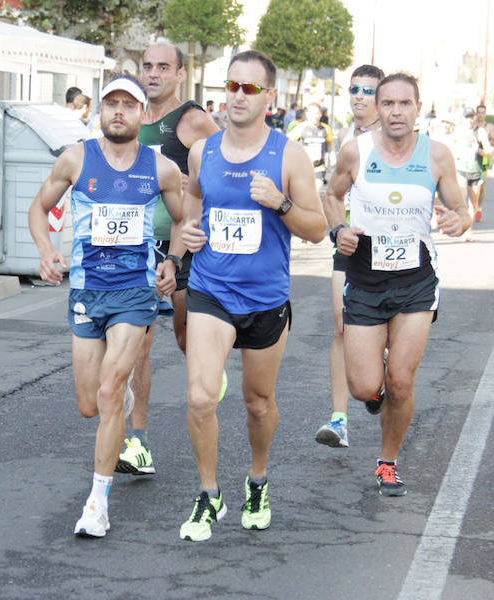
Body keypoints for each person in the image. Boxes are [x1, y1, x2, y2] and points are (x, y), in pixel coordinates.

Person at [178, 50, 327, 541]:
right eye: (231, 87)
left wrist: (279, 202)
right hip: (211, 290)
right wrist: (190, 236)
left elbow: (317, 229)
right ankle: (208, 493)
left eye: (248, 89)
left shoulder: (289, 154)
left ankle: (257, 479)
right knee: (201, 396)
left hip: (265, 298)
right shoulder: (205, 151)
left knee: (258, 402)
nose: (237, 97)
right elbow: (194, 205)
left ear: (270, 96)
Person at [27, 75, 185, 538]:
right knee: (88, 405)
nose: (119, 111)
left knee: (110, 391)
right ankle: (122, 401)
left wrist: (172, 262)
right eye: (111, 104)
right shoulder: (77, 158)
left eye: (129, 105)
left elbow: (182, 219)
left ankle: (97, 502)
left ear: (142, 114)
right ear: (100, 111)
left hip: (136, 293)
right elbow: (38, 209)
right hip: (86, 291)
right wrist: (44, 251)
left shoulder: (160, 169)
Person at [323, 72, 471, 497]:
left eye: (404, 104)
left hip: (416, 283)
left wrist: (457, 220)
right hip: (366, 280)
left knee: (402, 380)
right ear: (378, 108)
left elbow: (461, 209)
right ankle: (378, 390)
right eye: (387, 103)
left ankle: (387, 462)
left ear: (418, 108)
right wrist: (338, 231)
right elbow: (331, 196)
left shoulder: (438, 156)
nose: (396, 112)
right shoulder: (356, 152)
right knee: (364, 387)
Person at [116, 41, 220, 477]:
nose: (153, 74)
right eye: (147, 66)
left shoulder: (192, 120)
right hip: (135, 246)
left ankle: (209, 370)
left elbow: (226, 167)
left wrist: (190, 181)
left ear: (180, 74)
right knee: (138, 345)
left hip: (184, 247)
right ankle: (136, 443)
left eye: (163, 67)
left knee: (184, 338)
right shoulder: (127, 117)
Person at [314, 64, 384, 449]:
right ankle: (339, 420)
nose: (358, 96)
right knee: (341, 326)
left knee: (380, 333)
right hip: (349, 244)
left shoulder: (394, 140)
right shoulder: (343, 137)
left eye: (368, 91)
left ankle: (376, 385)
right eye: (354, 88)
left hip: (387, 248)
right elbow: (332, 192)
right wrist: (336, 228)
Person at [452, 107, 492, 242]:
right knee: (461, 199)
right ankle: (462, 224)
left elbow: (489, 151)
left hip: (475, 171)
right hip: (461, 170)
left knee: (473, 204)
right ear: (463, 119)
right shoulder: (458, 131)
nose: (470, 119)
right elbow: (451, 145)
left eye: (471, 117)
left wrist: (480, 151)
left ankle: (468, 229)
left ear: (475, 117)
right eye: (467, 117)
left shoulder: (480, 132)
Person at [289, 102, 333, 185]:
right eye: (312, 113)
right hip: (302, 167)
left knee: (316, 192)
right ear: (307, 114)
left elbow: (330, 143)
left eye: (317, 113)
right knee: (302, 195)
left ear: (320, 114)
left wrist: (332, 155)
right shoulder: (301, 127)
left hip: (319, 167)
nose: (315, 116)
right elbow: (287, 141)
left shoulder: (326, 128)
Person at [473, 104, 494, 221]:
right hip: (470, 158)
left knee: (482, 186)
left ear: (485, 114)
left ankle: (479, 208)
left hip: (483, 158)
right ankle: (471, 207)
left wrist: (488, 142)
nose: (480, 115)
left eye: (483, 113)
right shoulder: (471, 125)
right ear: (476, 113)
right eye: (479, 112)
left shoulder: (490, 127)